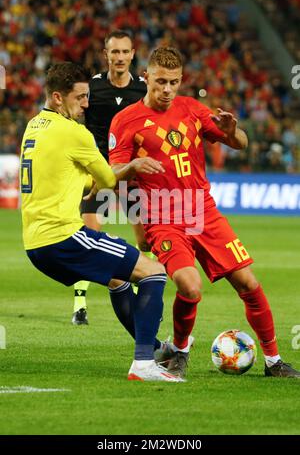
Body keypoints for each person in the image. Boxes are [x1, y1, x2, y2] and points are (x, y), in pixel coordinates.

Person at [108, 47, 300, 380]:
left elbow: (240, 143)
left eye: (175, 82)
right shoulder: (126, 120)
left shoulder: (192, 109)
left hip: (203, 211)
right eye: (161, 82)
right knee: (190, 286)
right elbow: (111, 174)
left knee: (249, 283)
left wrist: (229, 131)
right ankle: (180, 351)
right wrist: (133, 166)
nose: (168, 89)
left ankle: (274, 360)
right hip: (162, 219)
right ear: (146, 78)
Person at [20, 61, 183, 382]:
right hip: (63, 236)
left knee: (118, 280)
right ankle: (144, 363)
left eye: (87, 96)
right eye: (79, 98)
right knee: (154, 272)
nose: (86, 104)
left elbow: (66, 176)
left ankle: (156, 349)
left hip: (34, 244)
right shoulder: (75, 133)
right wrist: (134, 164)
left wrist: (86, 180)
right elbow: (108, 178)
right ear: (57, 97)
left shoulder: (33, 126)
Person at [73, 29, 149, 325]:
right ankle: (80, 305)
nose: (119, 57)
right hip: (98, 173)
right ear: (106, 55)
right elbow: (75, 120)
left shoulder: (143, 89)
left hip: (130, 174)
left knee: (144, 241)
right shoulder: (91, 88)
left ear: (132, 54)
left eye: (124, 51)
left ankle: (147, 286)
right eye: (114, 52)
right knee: (89, 237)